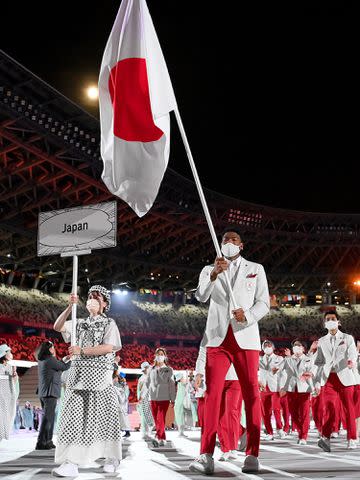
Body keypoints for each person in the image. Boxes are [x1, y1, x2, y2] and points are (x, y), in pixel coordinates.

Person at [189, 228, 269, 475]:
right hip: (217, 339)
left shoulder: (256, 269)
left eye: (234, 240)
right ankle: (205, 455)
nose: (229, 243)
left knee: (251, 395)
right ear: (220, 245)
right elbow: (201, 296)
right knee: (212, 396)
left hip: (245, 337)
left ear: (241, 246)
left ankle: (252, 454)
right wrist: (214, 273)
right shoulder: (208, 269)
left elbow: (264, 302)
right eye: (225, 240)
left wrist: (248, 315)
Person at [52, 285, 122, 477]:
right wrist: (69, 307)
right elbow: (57, 327)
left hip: (101, 380)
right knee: (71, 420)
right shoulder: (79, 322)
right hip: (77, 378)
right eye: (90, 296)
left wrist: (82, 351)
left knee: (104, 421)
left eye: (97, 297)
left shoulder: (109, 324)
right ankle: (71, 463)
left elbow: (109, 347)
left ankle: (111, 457)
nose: (92, 299)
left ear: (105, 304)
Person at [315, 311, 359, 452]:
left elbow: (353, 353)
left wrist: (351, 361)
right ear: (324, 323)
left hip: (345, 377)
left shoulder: (347, 338)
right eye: (327, 319)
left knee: (348, 410)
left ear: (338, 321)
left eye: (333, 319)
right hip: (329, 378)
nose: (330, 321)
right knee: (329, 408)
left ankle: (352, 438)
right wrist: (317, 381)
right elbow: (319, 362)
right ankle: (326, 438)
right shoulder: (322, 341)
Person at [35, 340, 70, 450]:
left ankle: (48, 441)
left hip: (45, 392)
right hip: (49, 392)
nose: (54, 349)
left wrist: (67, 359)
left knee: (49, 418)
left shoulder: (44, 360)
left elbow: (59, 366)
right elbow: (64, 367)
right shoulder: (50, 359)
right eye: (53, 347)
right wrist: (73, 359)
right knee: (48, 418)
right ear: (50, 349)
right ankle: (41, 442)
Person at [279, 340, 315, 445]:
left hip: (304, 389)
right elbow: (278, 369)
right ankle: (300, 431)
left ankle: (303, 436)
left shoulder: (309, 359)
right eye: (295, 345)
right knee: (294, 414)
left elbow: (313, 371)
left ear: (303, 348)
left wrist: (309, 374)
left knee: (304, 413)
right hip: (291, 388)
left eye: (299, 345)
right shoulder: (288, 359)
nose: (296, 347)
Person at [142, 347, 175, 447]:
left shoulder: (168, 370)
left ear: (165, 356)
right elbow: (147, 383)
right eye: (158, 354)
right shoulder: (151, 369)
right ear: (155, 356)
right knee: (157, 420)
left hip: (164, 398)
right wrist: (143, 396)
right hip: (152, 398)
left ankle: (159, 437)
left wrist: (172, 399)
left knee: (160, 418)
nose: (159, 356)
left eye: (161, 354)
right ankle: (161, 437)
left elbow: (172, 385)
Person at [258, 340, 286, 440]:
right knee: (265, 412)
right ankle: (269, 432)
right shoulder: (259, 359)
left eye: (269, 345)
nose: (267, 347)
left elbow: (283, 374)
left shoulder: (279, 358)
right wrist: (259, 382)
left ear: (273, 347)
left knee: (276, 409)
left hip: (275, 387)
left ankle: (279, 428)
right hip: (263, 388)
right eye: (265, 346)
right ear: (262, 348)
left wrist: (282, 387)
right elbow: (257, 372)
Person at [0, 344, 19, 442]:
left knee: (8, 416)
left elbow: (14, 382)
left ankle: (3, 435)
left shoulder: (11, 366)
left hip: (9, 396)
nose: (11, 354)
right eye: (9, 352)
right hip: (1, 396)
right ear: (4, 354)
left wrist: (14, 375)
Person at [137, 361, 154, 439]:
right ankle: (144, 433)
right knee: (144, 416)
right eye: (147, 368)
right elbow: (140, 390)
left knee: (148, 415)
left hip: (149, 398)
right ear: (144, 369)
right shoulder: (142, 378)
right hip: (144, 399)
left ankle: (147, 432)